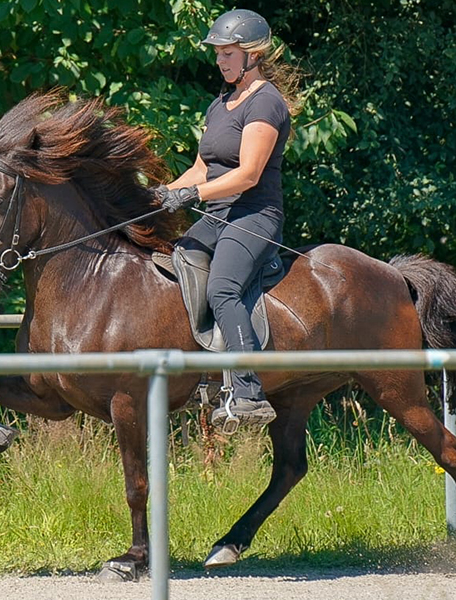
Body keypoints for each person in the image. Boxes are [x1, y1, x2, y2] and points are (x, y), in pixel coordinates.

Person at [155, 9, 301, 431]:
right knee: (172, 264)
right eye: (218, 53)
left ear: (252, 54)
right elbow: (203, 169)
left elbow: (248, 174)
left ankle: (249, 392)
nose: (220, 60)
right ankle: (199, 373)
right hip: (217, 213)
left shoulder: (266, 102)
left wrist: (191, 195)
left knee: (222, 288)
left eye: (228, 52)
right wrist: (163, 193)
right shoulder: (220, 104)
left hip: (254, 214)